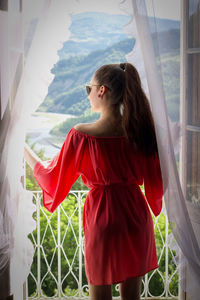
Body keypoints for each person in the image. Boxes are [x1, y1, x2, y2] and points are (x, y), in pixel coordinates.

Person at [24, 62, 164, 300]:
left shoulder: (82, 135)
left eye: (89, 88)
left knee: (99, 293)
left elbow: (52, 177)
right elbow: (157, 180)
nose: (87, 94)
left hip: (103, 218)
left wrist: (22, 147)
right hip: (136, 216)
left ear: (102, 91)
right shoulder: (142, 132)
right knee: (132, 296)